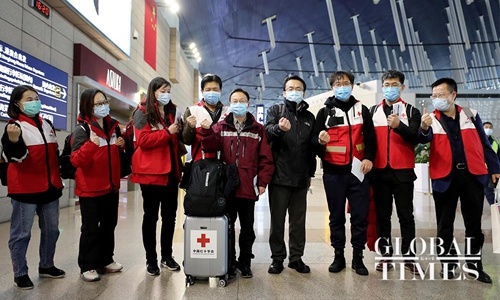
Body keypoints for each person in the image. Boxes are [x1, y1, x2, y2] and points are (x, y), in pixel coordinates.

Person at [419, 77, 500, 283]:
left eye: (441, 94)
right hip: (444, 177)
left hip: (472, 176)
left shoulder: (471, 115)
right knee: (444, 225)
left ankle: (474, 266)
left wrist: (494, 168)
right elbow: (423, 139)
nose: (437, 99)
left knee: (473, 224)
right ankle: (448, 265)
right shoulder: (431, 118)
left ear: (453, 95)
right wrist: (424, 128)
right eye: (434, 95)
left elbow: (484, 143)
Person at [200, 88, 274, 278]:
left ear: (248, 104)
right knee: (227, 226)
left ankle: (245, 262)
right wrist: (206, 131)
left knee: (248, 228)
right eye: (235, 100)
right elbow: (209, 147)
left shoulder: (258, 129)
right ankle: (230, 261)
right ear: (229, 104)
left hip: (249, 186)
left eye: (242, 100)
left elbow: (266, 158)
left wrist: (263, 182)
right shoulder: (221, 127)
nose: (238, 104)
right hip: (226, 186)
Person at [311, 71, 376, 276]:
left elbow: (371, 138)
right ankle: (338, 256)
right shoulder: (324, 113)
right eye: (338, 83)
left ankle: (358, 257)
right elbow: (314, 143)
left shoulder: (362, 110)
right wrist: (320, 142)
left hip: (358, 172)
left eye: (346, 83)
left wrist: (368, 158)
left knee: (359, 216)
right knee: (336, 216)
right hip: (333, 173)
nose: (342, 86)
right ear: (332, 87)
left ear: (352, 86)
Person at [1, 85, 65, 289]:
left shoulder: (47, 124)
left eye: (36, 98)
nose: (34, 101)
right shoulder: (14, 126)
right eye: (29, 99)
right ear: (17, 103)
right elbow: (14, 158)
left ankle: (46, 265)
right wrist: (13, 141)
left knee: (52, 230)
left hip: (50, 187)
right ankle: (20, 272)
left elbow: (53, 154)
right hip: (25, 189)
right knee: (21, 234)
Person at [130, 77, 184, 276]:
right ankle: (150, 259)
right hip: (151, 174)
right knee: (151, 217)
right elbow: (142, 140)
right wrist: (167, 133)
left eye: (168, 90)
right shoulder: (142, 112)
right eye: (163, 90)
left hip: (171, 172)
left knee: (170, 217)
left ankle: (167, 256)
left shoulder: (172, 111)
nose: (166, 93)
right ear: (153, 91)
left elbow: (179, 139)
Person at [370, 70, 421, 274]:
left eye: (394, 84)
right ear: (382, 87)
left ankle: (409, 257)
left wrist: (399, 126)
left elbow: (417, 137)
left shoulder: (411, 111)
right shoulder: (373, 110)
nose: (390, 88)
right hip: (379, 172)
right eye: (387, 84)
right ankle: (385, 255)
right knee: (383, 216)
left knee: (406, 216)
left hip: (403, 173)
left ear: (402, 87)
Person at [70, 89, 124, 281]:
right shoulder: (82, 130)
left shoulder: (113, 127)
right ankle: (87, 265)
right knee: (91, 228)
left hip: (110, 186)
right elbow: (76, 160)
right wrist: (90, 145)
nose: (103, 106)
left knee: (109, 225)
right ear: (88, 106)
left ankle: (105, 260)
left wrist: (121, 145)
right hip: (90, 189)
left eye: (105, 101)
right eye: (98, 103)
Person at [265, 75, 316, 274]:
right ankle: (277, 258)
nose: (295, 91)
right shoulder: (276, 111)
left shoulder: (309, 117)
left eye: (298, 88)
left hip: (301, 177)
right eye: (290, 88)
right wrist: (278, 128)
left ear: (303, 93)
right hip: (279, 176)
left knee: (298, 221)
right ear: (284, 92)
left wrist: (310, 172)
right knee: (277, 221)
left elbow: (310, 148)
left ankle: (296, 258)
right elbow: (266, 132)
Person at [182, 74, 230, 162]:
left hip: (224, 164)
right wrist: (190, 127)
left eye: (215, 89)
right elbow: (186, 141)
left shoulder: (229, 112)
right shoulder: (192, 110)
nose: (212, 92)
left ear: (220, 91)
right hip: (201, 164)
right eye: (208, 90)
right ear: (202, 91)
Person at [482, 121, 500, 205]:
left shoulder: (495, 141)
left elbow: (498, 155)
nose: (488, 129)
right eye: (486, 127)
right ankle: (494, 206)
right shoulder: (478, 139)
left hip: (492, 169)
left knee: (491, 188)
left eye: (490, 127)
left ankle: (495, 206)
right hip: (481, 169)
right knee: (488, 189)